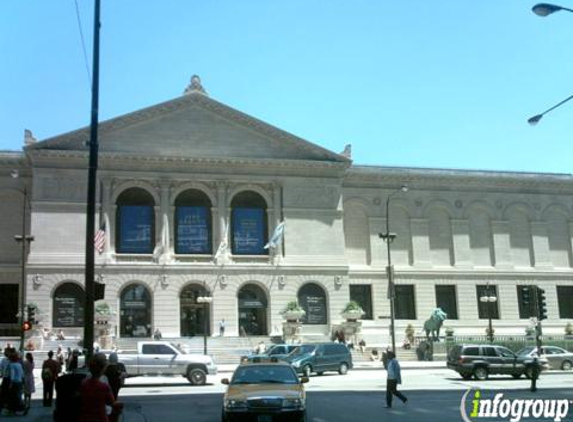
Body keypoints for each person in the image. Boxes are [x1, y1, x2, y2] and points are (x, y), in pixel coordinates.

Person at [79, 353, 123, 422]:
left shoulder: (83, 383)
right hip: (100, 417)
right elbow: (112, 402)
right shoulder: (103, 386)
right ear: (103, 368)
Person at [5, 350, 25, 415]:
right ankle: (19, 408)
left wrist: (10, 384)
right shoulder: (19, 365)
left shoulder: (11, 365)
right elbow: (22, 374)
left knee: (12, 397)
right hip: (19, 382)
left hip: (14, 383)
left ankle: (12, 410)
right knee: (18, 396)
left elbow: (12, 375)